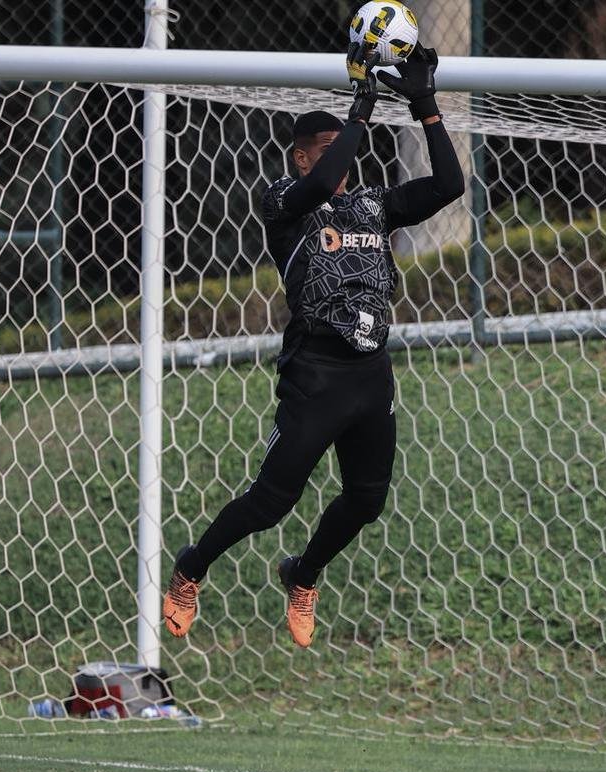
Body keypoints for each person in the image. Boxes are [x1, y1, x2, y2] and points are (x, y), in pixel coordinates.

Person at [161, 42, 465, 647]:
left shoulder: (372, 205)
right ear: (300, 158)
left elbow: (450, 184)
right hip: (315, 373)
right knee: (272, 500)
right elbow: (324, 178)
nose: (344, 164)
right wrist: (360, 110)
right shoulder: (284, 203)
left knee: (367, 499)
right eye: (326, 153)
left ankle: (303, 574)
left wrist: (426, 106)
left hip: (370, 372)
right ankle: (191, 567)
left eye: (347, 151)